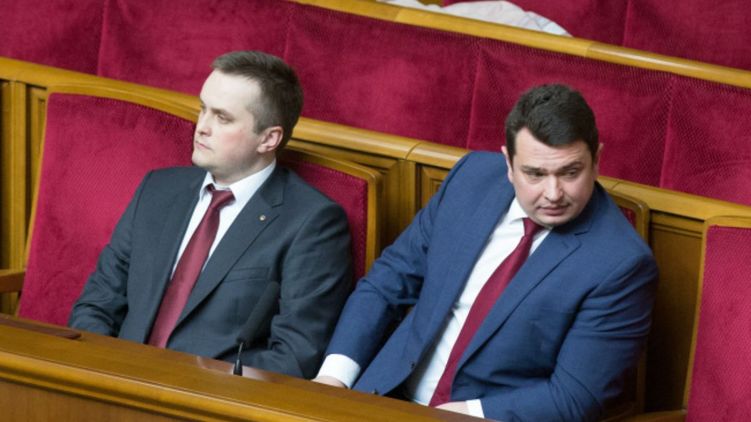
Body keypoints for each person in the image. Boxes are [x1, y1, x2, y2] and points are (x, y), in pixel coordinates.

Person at [315, 84, 657, 421]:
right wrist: (333, 378)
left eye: (570, 173)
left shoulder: (621, 263)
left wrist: (463, 414)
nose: (553, 193)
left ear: (596, 161)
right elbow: (387, 282)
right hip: (383, 397)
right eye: (535, 174)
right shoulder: (471, 179)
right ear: (509, 163)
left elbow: (574, 398)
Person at [69, 51, 352, 379]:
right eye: (203, 108)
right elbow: (97, 305)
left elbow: (294, 357)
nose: (201, 127)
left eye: (223, 118)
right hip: (111, 381)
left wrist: (191, 389)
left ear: (268, 138)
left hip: (209, 397)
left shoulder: (313, 223)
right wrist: (102, 374)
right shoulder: (158, 189)